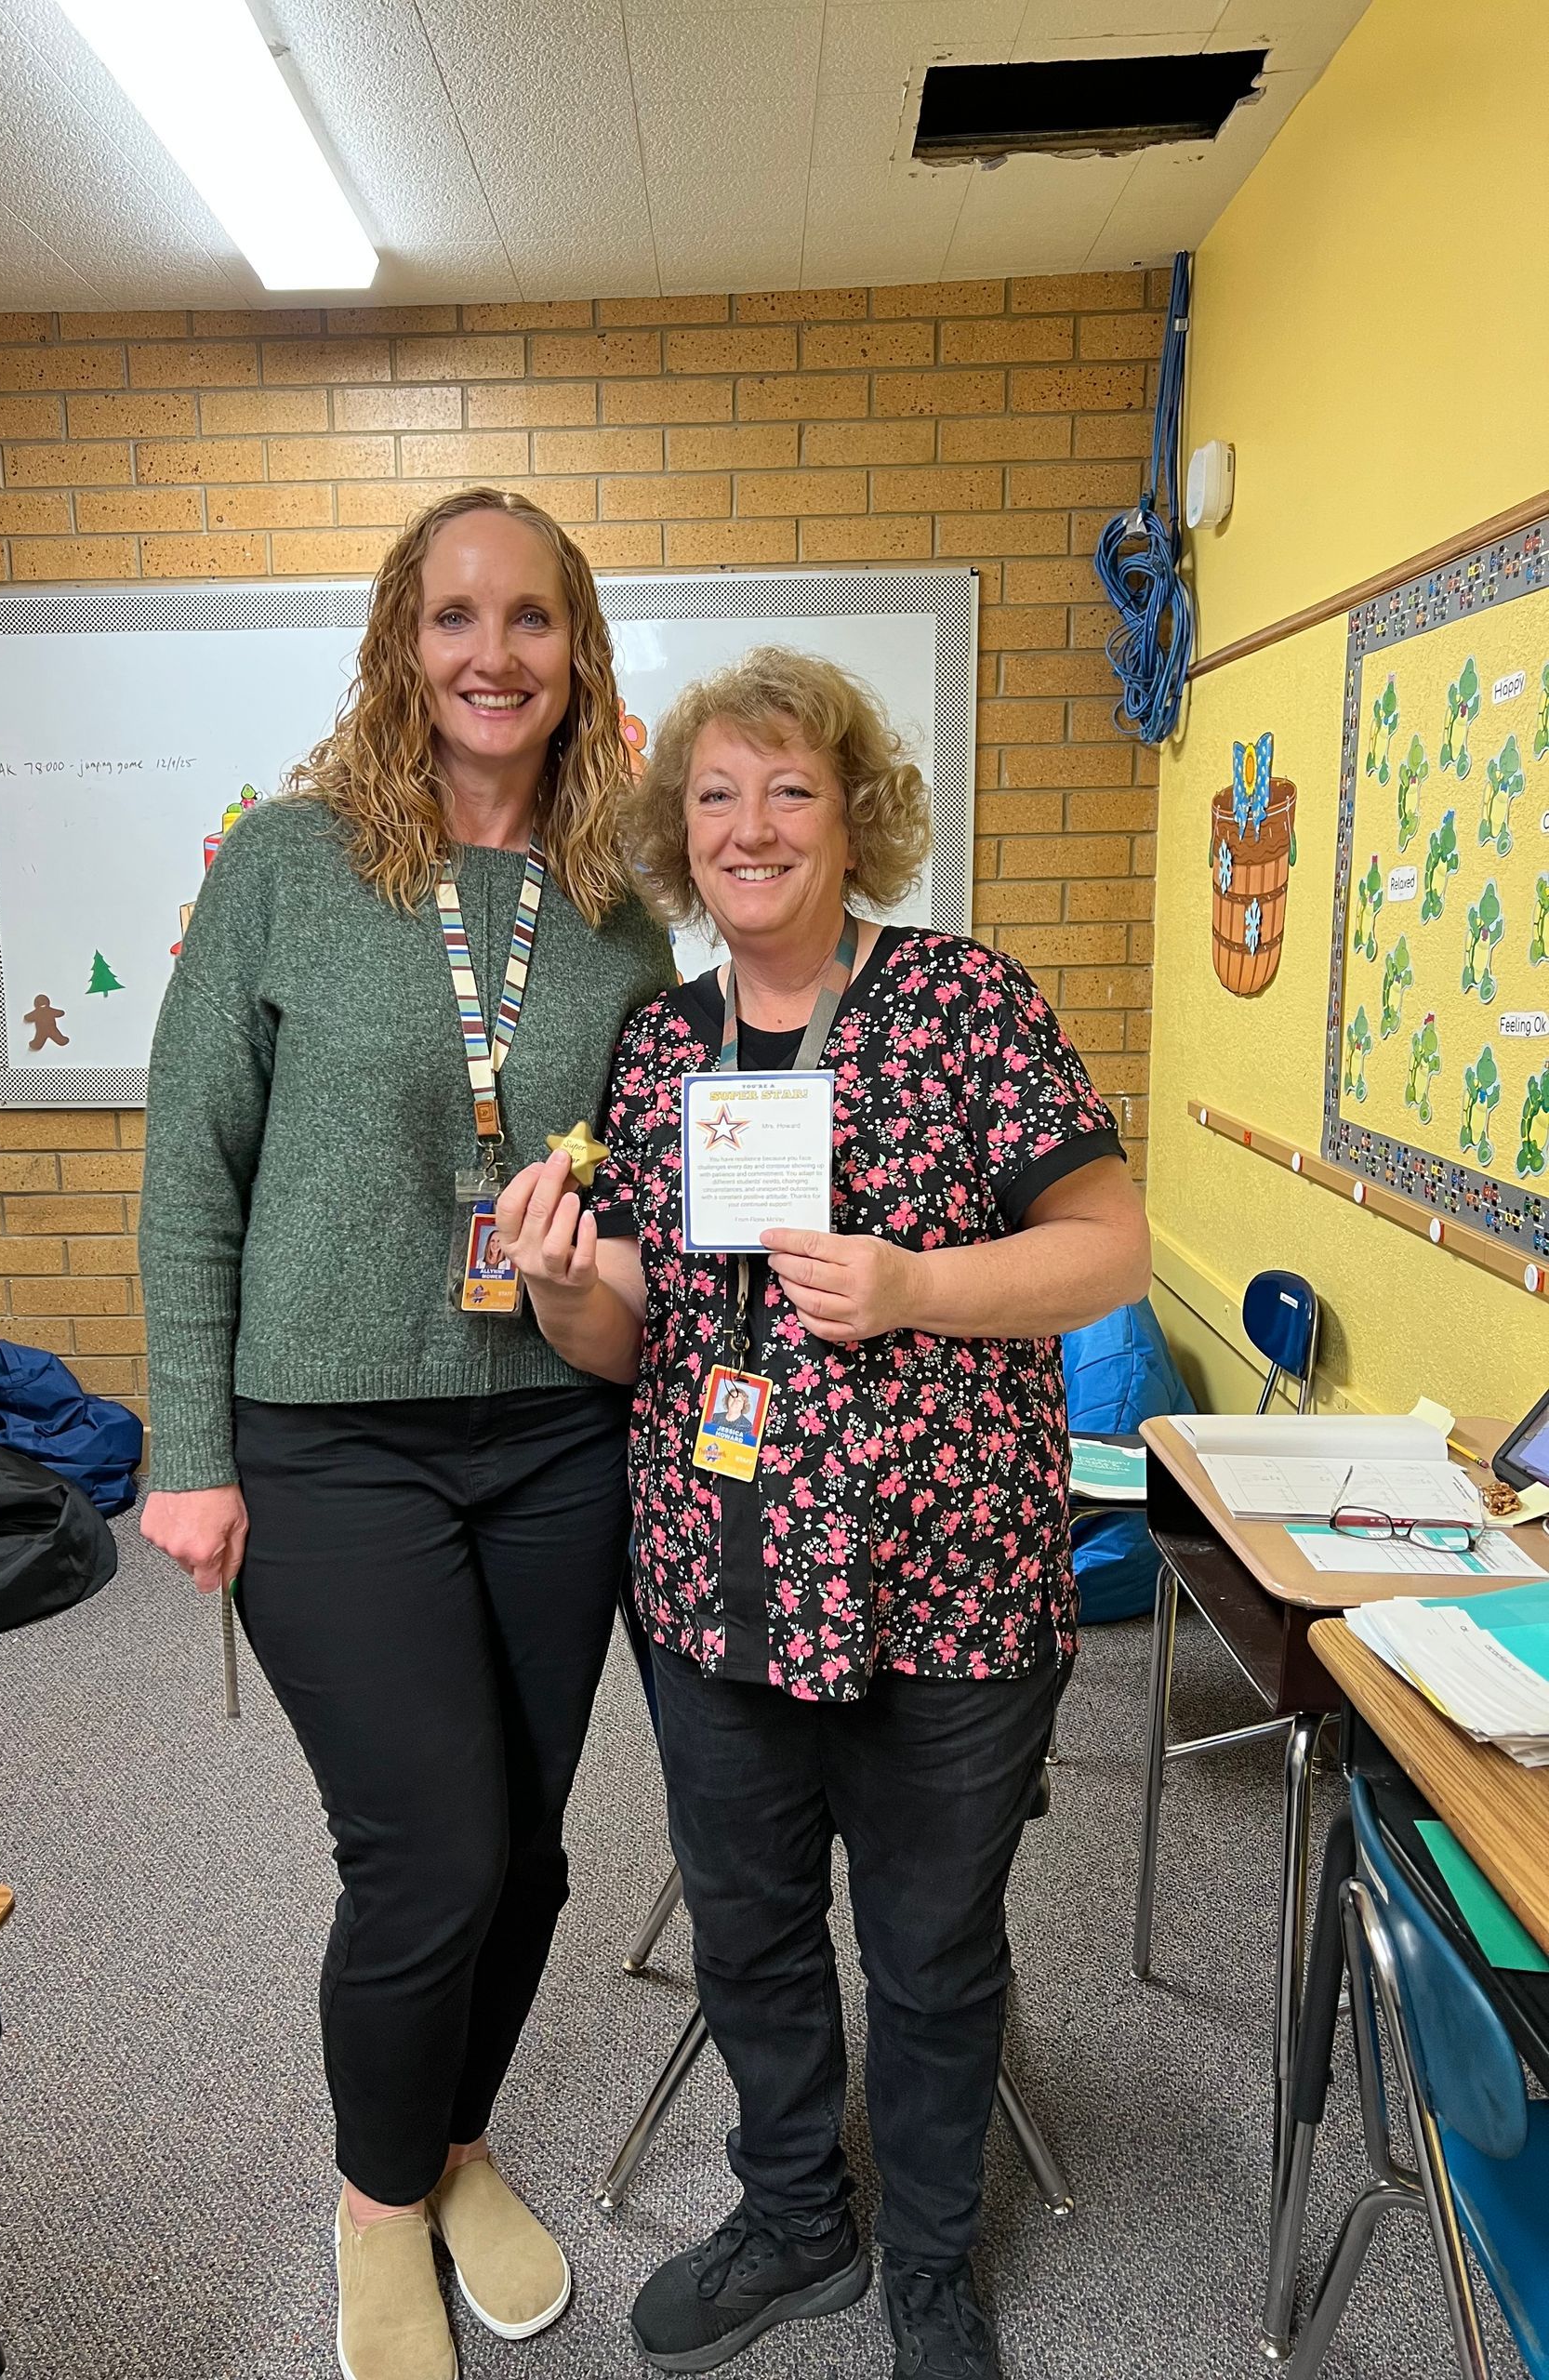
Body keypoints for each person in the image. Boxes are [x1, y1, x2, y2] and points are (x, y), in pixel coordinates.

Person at [496, 647, 1151, 2380]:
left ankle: (931, 2259)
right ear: (677, 836)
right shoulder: (659, 1049)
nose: (752, 825)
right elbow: (627, 1322)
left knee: (933, 1951)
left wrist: (918, 1283)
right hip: (718, 1580)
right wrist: (563, 1283)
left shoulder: (964, 1004)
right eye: (716, 795)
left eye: (790, 789)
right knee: (751, 1929)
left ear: (856, 818)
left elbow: (1108, 1248)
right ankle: (797, 2219)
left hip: (949, 1576)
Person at [139, 487, 675, 2380]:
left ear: (574, 646)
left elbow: (651, 1176)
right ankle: (376, 2209)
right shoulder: (288, 861)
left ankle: (449, 2144)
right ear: (401, 640)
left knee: (523, 1849)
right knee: (430, 1846)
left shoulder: (622, 903)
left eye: (531, 617)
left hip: (552, 1431)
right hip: (327, 1435)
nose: (492, 652)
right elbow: (191, 1164)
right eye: (455, 615)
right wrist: (187, 1446)